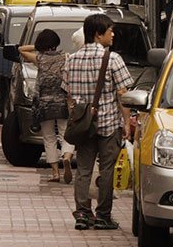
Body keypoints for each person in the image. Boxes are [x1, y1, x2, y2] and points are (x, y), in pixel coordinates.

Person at [63, 12, 133, 230]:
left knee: (83, 169)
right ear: (97, 34)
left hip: (84, 126)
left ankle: (82, 214)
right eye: (110, 31)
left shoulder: (71, 60)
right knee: (107, 170)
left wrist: (76, 117)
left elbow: (68, 95)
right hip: (109, 124)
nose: (113, 35)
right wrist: (127, 122)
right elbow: (122, 93)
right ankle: (103, 215)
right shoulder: (112, 59)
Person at [19, 28, 73, 183]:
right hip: (62, 102)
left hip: (44, 104)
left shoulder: (39, 58)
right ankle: (67, 157)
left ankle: (55, 173)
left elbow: (21, 49)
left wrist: (37, 47)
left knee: (49, 137)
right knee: (65, 134)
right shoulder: (66, 57)